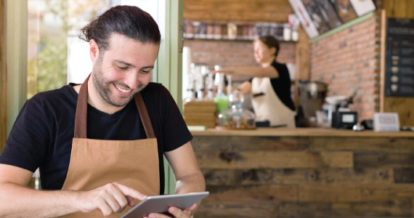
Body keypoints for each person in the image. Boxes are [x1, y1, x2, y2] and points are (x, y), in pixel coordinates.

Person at [0, 5, 205, 218]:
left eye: (145, 71)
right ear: (94, 51)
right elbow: (3, 200)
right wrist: (83, 199)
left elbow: (190, 176)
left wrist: (176, 211)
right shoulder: (46, 110)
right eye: (122, 67)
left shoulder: (158, 101)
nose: (132, 83)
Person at [214, 35, 296, 128]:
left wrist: (233, 69)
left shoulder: (280, 69)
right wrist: (220, 89)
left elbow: (263, 72)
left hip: (283, 127)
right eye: (254, 50)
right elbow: (239, 91)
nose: (255, 53)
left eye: (259, 49)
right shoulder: (255, 78)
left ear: (272, 50)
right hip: (264, 126)